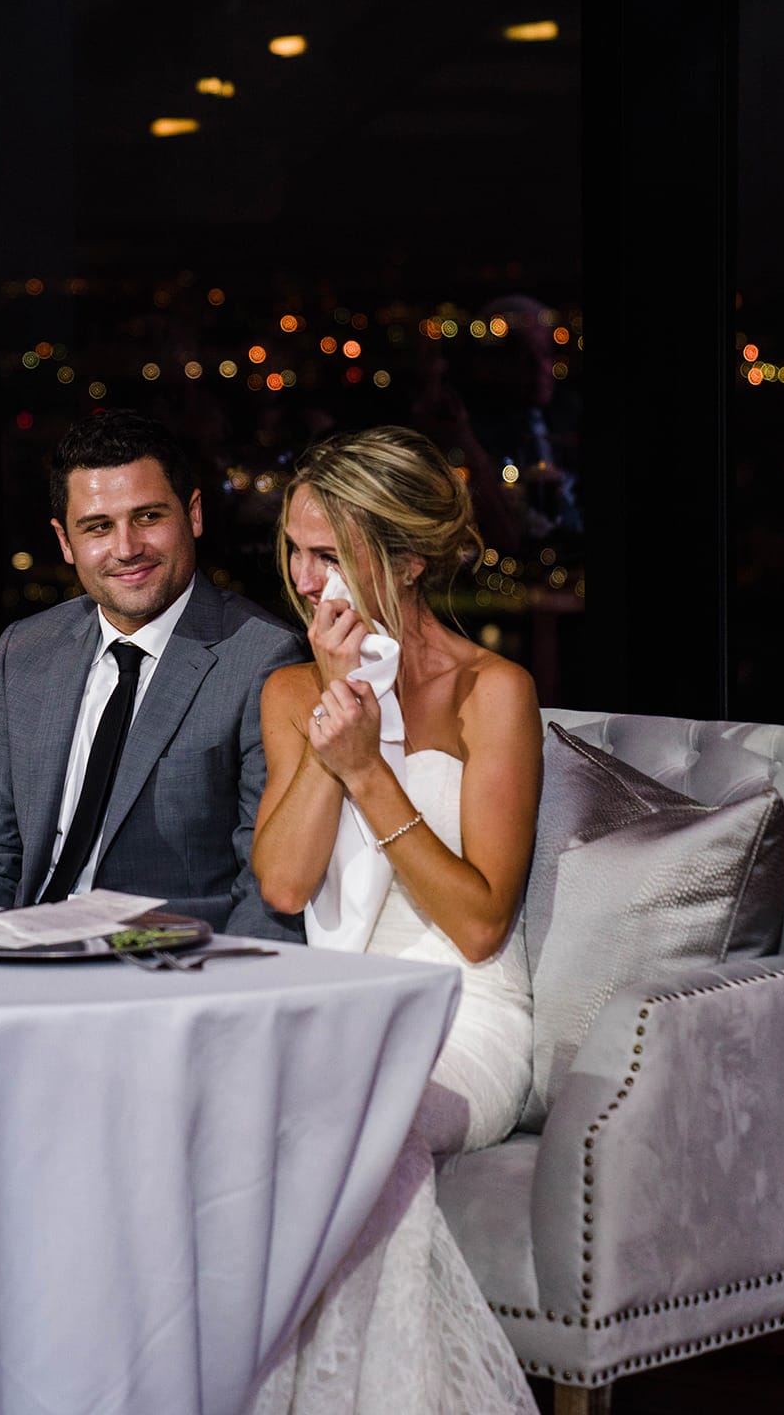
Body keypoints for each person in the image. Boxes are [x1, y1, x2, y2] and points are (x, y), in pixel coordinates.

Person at [246, 424, 540, 1415]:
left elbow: (477, 924)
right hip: (336, 1003)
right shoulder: (293, 689)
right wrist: (338, 705)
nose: (303, 575)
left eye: (328, 553)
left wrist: (368, 769)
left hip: (463, 1015)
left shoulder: (491, 693)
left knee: (347, 1124)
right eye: (294, 547)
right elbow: (285, 886)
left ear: (406, 561)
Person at [0, 411, 305, 934]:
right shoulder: (26, 650)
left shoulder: (263, 658)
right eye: (98, 527)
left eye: (149, 517)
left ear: (193, 514)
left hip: (165, 965)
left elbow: (264, 891)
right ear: (65, 542)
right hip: (23, 957)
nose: (127, 548)